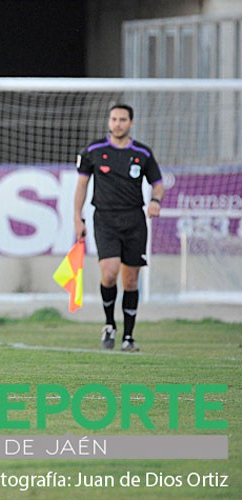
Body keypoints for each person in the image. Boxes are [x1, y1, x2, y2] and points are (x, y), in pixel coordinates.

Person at [74, 104, 165, 352]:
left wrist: (156, 201)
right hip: (105, 219)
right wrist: (77, 218)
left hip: (134, 219)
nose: (118, 123)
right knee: (110, 272)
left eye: (123, 119)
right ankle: (108, 323)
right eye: (114, 119)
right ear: (109, 121)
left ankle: (129, 337)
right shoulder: (94, 150)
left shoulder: (142, 153)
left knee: (131, 279)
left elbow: (158, 183)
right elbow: (81, 186)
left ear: (131, 123)